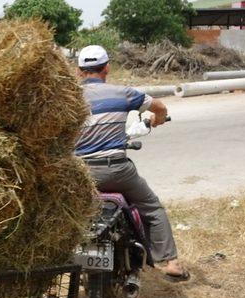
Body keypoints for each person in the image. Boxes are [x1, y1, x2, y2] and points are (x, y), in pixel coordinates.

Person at [75, 45, 190, 282]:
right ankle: (171, 263)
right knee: (152, 208)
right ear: (107, 68)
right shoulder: (123, 93)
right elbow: (159, 106)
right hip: (117, 170)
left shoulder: (68, 97)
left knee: (64, 217)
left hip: (80, 174)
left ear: (79, 71)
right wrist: (157, 119)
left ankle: (53, 282)